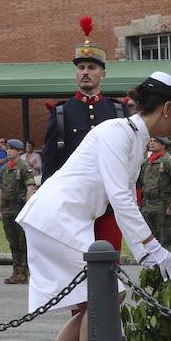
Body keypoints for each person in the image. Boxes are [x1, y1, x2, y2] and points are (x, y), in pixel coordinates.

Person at [18, 72, 171, 341]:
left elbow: (123, 194)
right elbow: (121, 196)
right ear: (167, 108)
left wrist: (145, 250)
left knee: (93, 300)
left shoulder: (132, 136)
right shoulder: (116, 132)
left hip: (64, 218)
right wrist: (152, 247)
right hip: (58, 217)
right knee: (108, 294)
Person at [41, 16, 127, 250]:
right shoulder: (61, 113)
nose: (85, 72)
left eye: (91, 67)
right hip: (74, 203)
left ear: (103, 73)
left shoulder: (118, 110)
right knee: (76, 265)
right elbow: (50, 162)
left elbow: (129, 159)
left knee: (110, 263)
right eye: (81, 68)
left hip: (110, 202)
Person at [0, 139, 38, 285]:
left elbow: (30, 188)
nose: (8, 151)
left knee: (23, 242)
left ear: (19, 151)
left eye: (12, 149)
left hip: (20, 208)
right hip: (7, 210)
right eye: (7, 148)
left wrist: (28, 208)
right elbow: (1, 191)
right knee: (12, 241)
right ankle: (16, 272)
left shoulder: (24, 167)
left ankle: (24, 272)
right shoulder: (4, 169)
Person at [138, 136, 171, 249]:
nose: (151, 143)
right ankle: (151, 265)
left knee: (164, 239)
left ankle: (164, 265)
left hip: (161, 205)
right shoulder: (146, 162)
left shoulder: (168, 161)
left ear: (163, 145)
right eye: (151, 141)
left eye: (155, 141)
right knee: (147, 237)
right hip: (147, 205)